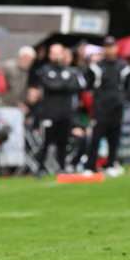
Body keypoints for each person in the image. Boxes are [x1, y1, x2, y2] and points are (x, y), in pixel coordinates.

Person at [32, 42, 85, 175]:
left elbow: (75, 87)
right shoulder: (45, 69)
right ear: (50, 55)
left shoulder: (70, 70)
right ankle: (40, 169)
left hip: (65, 113)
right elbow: (49, 85)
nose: (56, 56)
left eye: (59, 53)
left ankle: (62, 168)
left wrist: (59, 84)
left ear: (63, 54)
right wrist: (63, 85)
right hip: (49, 113)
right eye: (53, 53)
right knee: (45, 142)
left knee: (63, 142)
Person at [83, 36, 130, 176]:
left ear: (116, 48)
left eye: (112, 46)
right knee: (96, 137)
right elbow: (90, 87)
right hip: (100, 107)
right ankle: (90, 166)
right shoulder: (96, 67)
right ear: (104, 49)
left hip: (116, 107)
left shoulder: (124, 67)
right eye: (107, 47)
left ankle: (111, 164)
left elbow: (128, 87)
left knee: (114, 137)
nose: (110, 50)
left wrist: (120, 99)